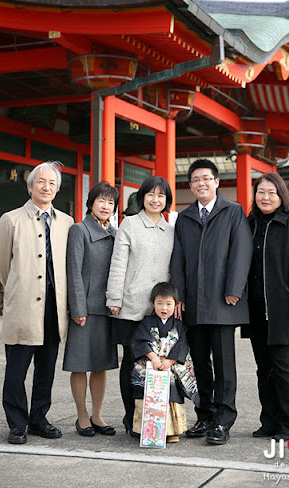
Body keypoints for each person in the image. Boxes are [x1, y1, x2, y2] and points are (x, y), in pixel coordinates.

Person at [170, 158, 253, 445]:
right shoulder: (185, 217)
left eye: (206, 178)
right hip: (193, 302)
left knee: (224, 364)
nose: (201, 183)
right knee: (200, 365)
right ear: (190, 186)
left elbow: (242, 252)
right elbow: (177, 258)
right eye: (195, 180)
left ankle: (223, 421)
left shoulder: (233, 211)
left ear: (217, 182)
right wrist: (178, 295)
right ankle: (204, 415)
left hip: (222, 302)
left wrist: (234, 289)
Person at [0, 161, 73, 445]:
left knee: (46, 368)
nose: (47, 186)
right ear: (30, 186)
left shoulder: (66, 222)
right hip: (24, 305)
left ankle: (39, 419)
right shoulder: (11, 219)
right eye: (41, 181)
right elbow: (2, 264)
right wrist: (16, 290)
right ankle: (17, 424)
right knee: (16, 370)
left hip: (54, 306)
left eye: (52, 183)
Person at [246, 173, 289, 442]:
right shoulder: (249, 224)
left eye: (271, 192)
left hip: (283, 312)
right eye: (260, 192)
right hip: (255, 310)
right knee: (264, 369)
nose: (265, 197)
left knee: (284, 369)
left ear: (281, 196)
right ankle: (270, 422)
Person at [106, 176, 174, 436]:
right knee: (132, 363)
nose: (156, 200)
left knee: (157, 364)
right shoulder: (130, 224)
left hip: (160, 310)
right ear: (142, 197)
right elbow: (118, 263)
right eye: (151, 194)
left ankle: (154, 418)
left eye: (161, 196)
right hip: (132, 305)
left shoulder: (171, 230)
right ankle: (131, 418)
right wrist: (114, 298)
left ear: (166, 200)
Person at [63, 181, 119, 437]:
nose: (106, 206)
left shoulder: (116, 233)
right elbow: (73, 271)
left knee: (101, 364)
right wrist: (77, 308)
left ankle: (97, 414)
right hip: (84, 310)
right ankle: (82, 416)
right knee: (80, 364)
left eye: (111, 202)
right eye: (101, 201)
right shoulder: (79, 230)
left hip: (107, 309)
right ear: (91, 203)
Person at [130, 281, 198, 443]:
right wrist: (153, 357)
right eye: (159, 303)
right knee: (147, 395)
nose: (164, 308)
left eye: (168, 304)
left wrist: (169, 360)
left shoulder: (179, 325)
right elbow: (138, 341)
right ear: (153, 304)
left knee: (172, 395)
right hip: (150, 367)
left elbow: (182, 345)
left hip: (170, 367)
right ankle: (145, 429)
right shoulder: (147, 322)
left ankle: (172, 430)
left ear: (175, 305)